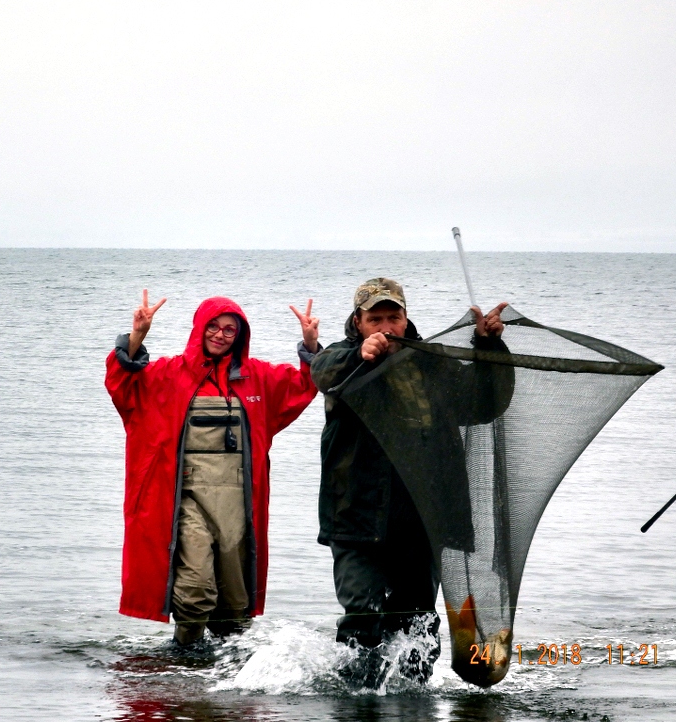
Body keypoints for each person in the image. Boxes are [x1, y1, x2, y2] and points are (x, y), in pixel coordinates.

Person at [105, 290, 321, 645]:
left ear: (240, 336)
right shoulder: (167, 374)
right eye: (213, 326)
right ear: (199, 328)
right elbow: (122, 386)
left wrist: (311, 346)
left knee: (236, 605)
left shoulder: (258, 377)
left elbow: (303, 386)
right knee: (194, 592)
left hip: (237, 505)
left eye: (229, 330)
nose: (220, 335)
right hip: (186, 503)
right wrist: (136, 338)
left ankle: (227, 682)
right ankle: (182, 667)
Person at [309, 277, 509, 660]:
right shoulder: (341, 358)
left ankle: (414, 702)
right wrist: (359, 355)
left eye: (393, 317)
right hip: (356, 520)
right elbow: (324, 371)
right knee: (362, 616)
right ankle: (355, 704)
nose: (385, 327)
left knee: (416, 624)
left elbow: (484, 404)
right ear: (358, 323)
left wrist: (489, 346)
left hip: (422, 521)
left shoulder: (431, 363)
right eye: (375, 319)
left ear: (405, 318)